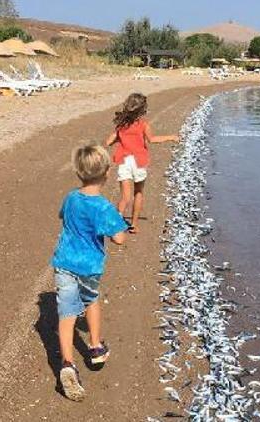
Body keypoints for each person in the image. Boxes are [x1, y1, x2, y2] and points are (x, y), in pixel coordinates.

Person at [51, 144, 128, 402]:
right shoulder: (103, 207)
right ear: (107, 173)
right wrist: (120, 221)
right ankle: (95, 347)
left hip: (64, 262)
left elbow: (63, 217)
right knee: (91, 300)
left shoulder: (71, 197)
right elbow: (119, 239)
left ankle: (67, 364)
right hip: (89, 266)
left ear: (78, 173)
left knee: (66, 314)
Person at [105, 93, 179, 234]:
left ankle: (115, 222)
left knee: (125, 197)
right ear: (143, 110)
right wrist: (171, 137)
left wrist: (119, 139)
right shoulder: (143, 124)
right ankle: (133, 225)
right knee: (138, 192)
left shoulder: (121, 126)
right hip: (139, 161)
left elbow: (108, 141)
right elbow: (152, 139)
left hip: (125, 160)